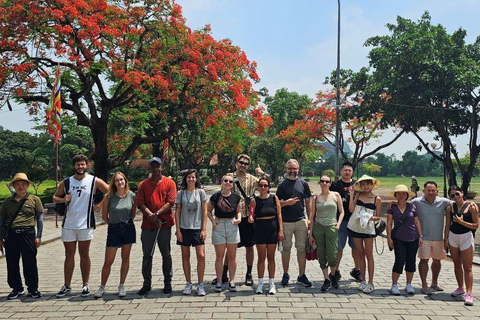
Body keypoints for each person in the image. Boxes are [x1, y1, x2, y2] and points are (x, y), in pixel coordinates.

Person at [53, 154, 109, 298]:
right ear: (74, 166)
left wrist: (99, 205)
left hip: (86, 223)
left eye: (83, 164)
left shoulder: (93, 180)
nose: (80, 167)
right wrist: (63, 198)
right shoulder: (66, 182)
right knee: (69, 254)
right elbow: (55, 197)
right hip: (69, 223)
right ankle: (67, 285)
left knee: (84, 254)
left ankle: (85, 285)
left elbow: (110, 191)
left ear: (87, 165)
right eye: (78, 164)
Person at [213, 155, 258, 286]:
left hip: (246, 217)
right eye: (241, 162)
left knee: (249, 246)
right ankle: (224, 274)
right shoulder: (229, 178)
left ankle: (249, 274)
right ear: (236, 163)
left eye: (246, 163)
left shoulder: (252, 179)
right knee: (230, 247)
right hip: (231, 218)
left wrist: (261, 173)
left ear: (248, 166)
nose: (243, 165)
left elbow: (265, 184)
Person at [136, 157, 176, 295]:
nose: (155, 168)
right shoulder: (143, 184)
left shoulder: (169, 183)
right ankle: (146, 283)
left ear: (161, 167)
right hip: (148, 225)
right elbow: (140, 203)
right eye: (153, 166)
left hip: (165, 224)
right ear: (150, 168)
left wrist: (157, 214)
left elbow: (170, 202)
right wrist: (151, 217)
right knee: (147, 255)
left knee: (166, 254)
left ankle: (167, 282)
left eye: (157, 166)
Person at [0, 173, 43, 300]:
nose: (20, 186)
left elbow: (39, 219)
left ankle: (33, 288)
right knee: (12, 262)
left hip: (28, 233)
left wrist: (39, 235)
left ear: (27, 185)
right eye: (17, 184)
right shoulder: (7, 202)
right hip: (11, 234)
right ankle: (16, 288)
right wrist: (0, 239)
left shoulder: (34, 200)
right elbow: (2, 221)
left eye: (23, 184)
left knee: (29, 261)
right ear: (13, 186)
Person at [94, 172, 137, 298]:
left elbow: (133, 213)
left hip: (128, 227)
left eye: (122, 180)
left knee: (125, 257)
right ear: (114, 183)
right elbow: (104, 215)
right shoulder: (109, 197)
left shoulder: (132, 196)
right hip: (114, 228)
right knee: (108, 260)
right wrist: (113, 225)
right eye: (117, 180)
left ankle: (122, 284)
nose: (120, 182)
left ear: (125, 181)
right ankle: (102, 286)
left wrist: (125, 222)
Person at [276, 159, 312, 287]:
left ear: (298, 168)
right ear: (286, 169)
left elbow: (308, 202)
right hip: (286, 222)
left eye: (294, 168)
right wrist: (287, 202)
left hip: (300, 221)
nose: (292, 171)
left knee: (301, 248)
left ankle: (301, 275)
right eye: (290, 168)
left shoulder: (303, 183)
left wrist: (309, 219)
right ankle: (285, 274)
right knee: (286, 249)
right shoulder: (282, 185)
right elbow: (276, 203)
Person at [412, 181, 452, 295]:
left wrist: (471, 204)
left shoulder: (443, 202)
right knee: (423, 260)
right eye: (428, 190)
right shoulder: (416, 202)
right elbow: (405, 208)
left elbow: (458, 203)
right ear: (424, 191)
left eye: (433, 190)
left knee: (437, 260)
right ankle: (424, 284)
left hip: (439, 238)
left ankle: (434, 282)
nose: (431, 192)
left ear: (437, 191)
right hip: (423, 237)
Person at [248, 177, 284, 295]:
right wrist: (250, 218)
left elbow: (279, 214)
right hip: (260, 230)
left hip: (272, 229)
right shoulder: (254, 200)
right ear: (258, 187)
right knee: (261, 257)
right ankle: (260, 283)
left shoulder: (274, 198)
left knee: (271, 257)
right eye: (261, 185)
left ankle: (272, 283)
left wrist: (281, 230)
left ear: (269, 187)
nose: (263, 188)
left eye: (265, 185)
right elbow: (251, 214)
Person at [347, 174, 382, 293]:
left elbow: (378, 216)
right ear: (360, 186)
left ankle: (371, 282)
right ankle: (363, 280)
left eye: (368, 184)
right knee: (360, 254)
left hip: (368, 229)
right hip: (356, 227)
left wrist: (368, 217)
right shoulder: (358, 195)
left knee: (369, 255)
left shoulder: (377, 199)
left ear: (372, 185)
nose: (366, 187)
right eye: (363, 184)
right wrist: (352, 195)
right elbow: (351, 209)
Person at [175, 169, 207, 296]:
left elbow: (204, 211)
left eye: (193, 177)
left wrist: (204, 229)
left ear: (196, 179)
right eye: (189, 177)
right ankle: (188, 283)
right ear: (185, 179)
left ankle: (200, 284)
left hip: (197, 227)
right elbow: (177, 212)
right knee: (185, 256)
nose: (191, 179)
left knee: (201, 255)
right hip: (184, 227)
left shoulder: (201, 192)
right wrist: (178, 230)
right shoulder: (181, 193)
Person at [309, 175, 344, 292]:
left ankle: (333, 275)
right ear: (320, 183)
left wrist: (338, 224)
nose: (324, 183)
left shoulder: (335, 195)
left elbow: (342, 212)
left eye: (326, 181)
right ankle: (326, 279)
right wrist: (310, 234)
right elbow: (312, 216)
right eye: (322, 181)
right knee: (321, 253)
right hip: (318, 227)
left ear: (330, 183)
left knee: (332, 253)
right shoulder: (316, 198)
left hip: (331, 227)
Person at [386, 184, 423, 295]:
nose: (401, 195)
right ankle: (394, 284)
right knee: (399, 260)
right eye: (399, 193)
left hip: (413, 237)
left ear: (407, 195)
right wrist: (388, 238)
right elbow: (389, 223)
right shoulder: (392, 208)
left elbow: (416, 221)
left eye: (403, 193)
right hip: (398, 237)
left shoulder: (412, 207)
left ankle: (409, 284)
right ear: (395, 195)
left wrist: (420, 235)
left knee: (411, 261)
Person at [444, 186, 478, 306]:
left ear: (462, 193)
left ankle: (469, 293)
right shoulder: (450, 208)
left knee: (467, 266)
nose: (455, 197)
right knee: (457, 263)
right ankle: (460, 288)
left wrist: (461, 222)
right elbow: (447, 225)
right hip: (453, 236)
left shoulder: (471, 207)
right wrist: (445, 240)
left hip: (466, 237)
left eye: (457, 194)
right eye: (452, 196)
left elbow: (475, 225)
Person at [207, 173, 242, 292]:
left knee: (232, 256)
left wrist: (239, 218)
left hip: (232, 226)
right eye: (225, 181)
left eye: (230, 182)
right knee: (219, 256)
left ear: (232, 185)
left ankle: (232, 281)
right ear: (221, 182)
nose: (228, 183)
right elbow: (208, 211)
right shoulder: (215, 197)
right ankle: (219, 281)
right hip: (219, 226)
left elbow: (239, 211)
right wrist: (212, 221)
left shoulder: (236, 197)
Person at [330, 162, 362, 282]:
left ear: (352, 172)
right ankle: (336, 271)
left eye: (349, 170)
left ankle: (357, 270)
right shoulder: (335, 185)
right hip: (340, 220)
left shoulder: (357, 185)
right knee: (339, 247)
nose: (347, 172)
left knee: (356, 247)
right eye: (345, 170)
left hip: (355, 220)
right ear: (341, 172)